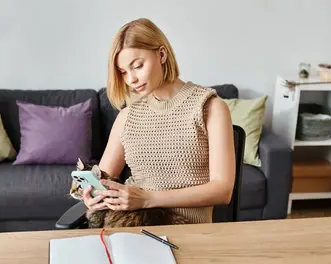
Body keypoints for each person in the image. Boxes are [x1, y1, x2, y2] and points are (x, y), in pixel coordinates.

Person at [83, 18, 235, 224]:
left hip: (190, 233)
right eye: (123, 72)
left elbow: (222, 190)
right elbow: (103, 179)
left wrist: (148, 199)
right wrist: (93, 195)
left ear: (161, 54)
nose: (131, 79)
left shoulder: (209, 107)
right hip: (133, 228)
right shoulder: (128, 116)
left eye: (137, 66)